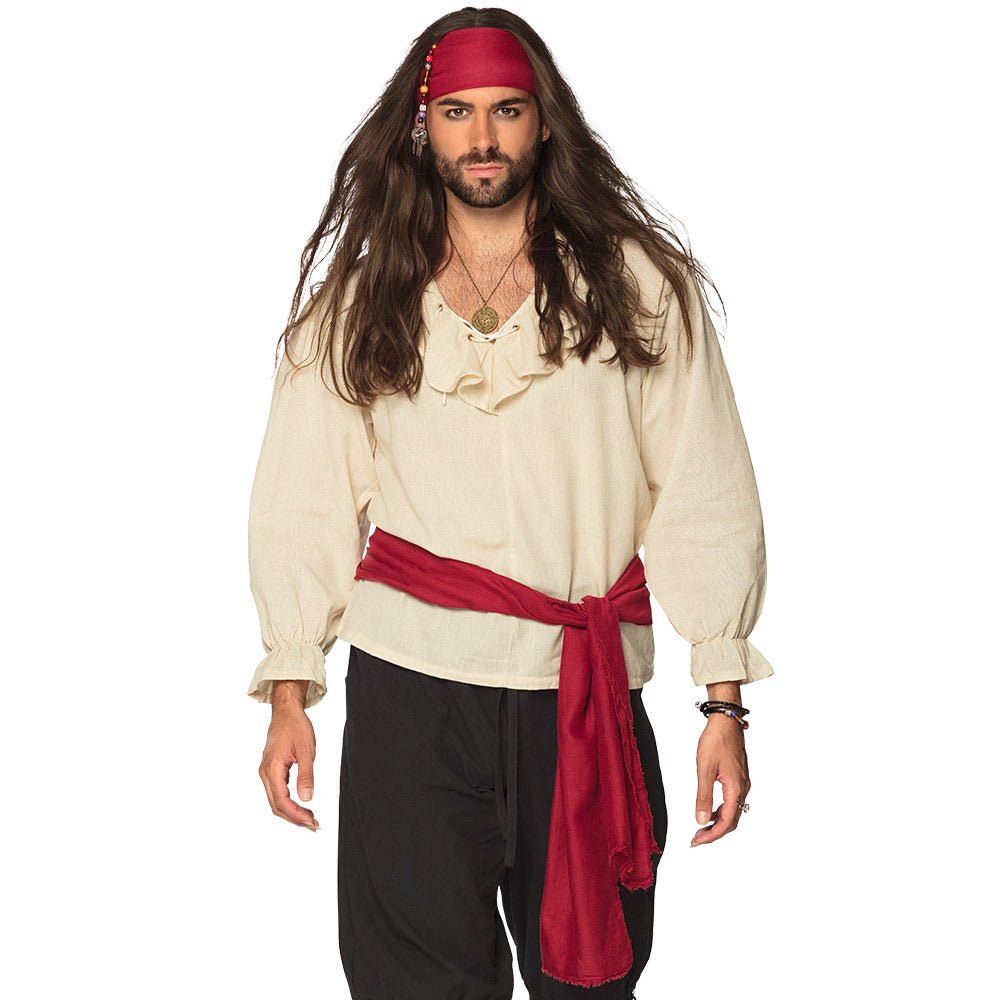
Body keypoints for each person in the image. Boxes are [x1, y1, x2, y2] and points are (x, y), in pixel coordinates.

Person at [246, 9, 774, 1000]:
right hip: (412, 693)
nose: (482, 137)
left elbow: (704, 489)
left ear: (543, 122)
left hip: (579, 692)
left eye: (506, 110)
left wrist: (722, 698)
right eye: (457, 112)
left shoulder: (635, 287)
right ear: (422, 127)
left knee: (592, 982)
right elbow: (302, 499)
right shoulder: (363, 302)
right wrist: (290, 687)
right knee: (410, 984)